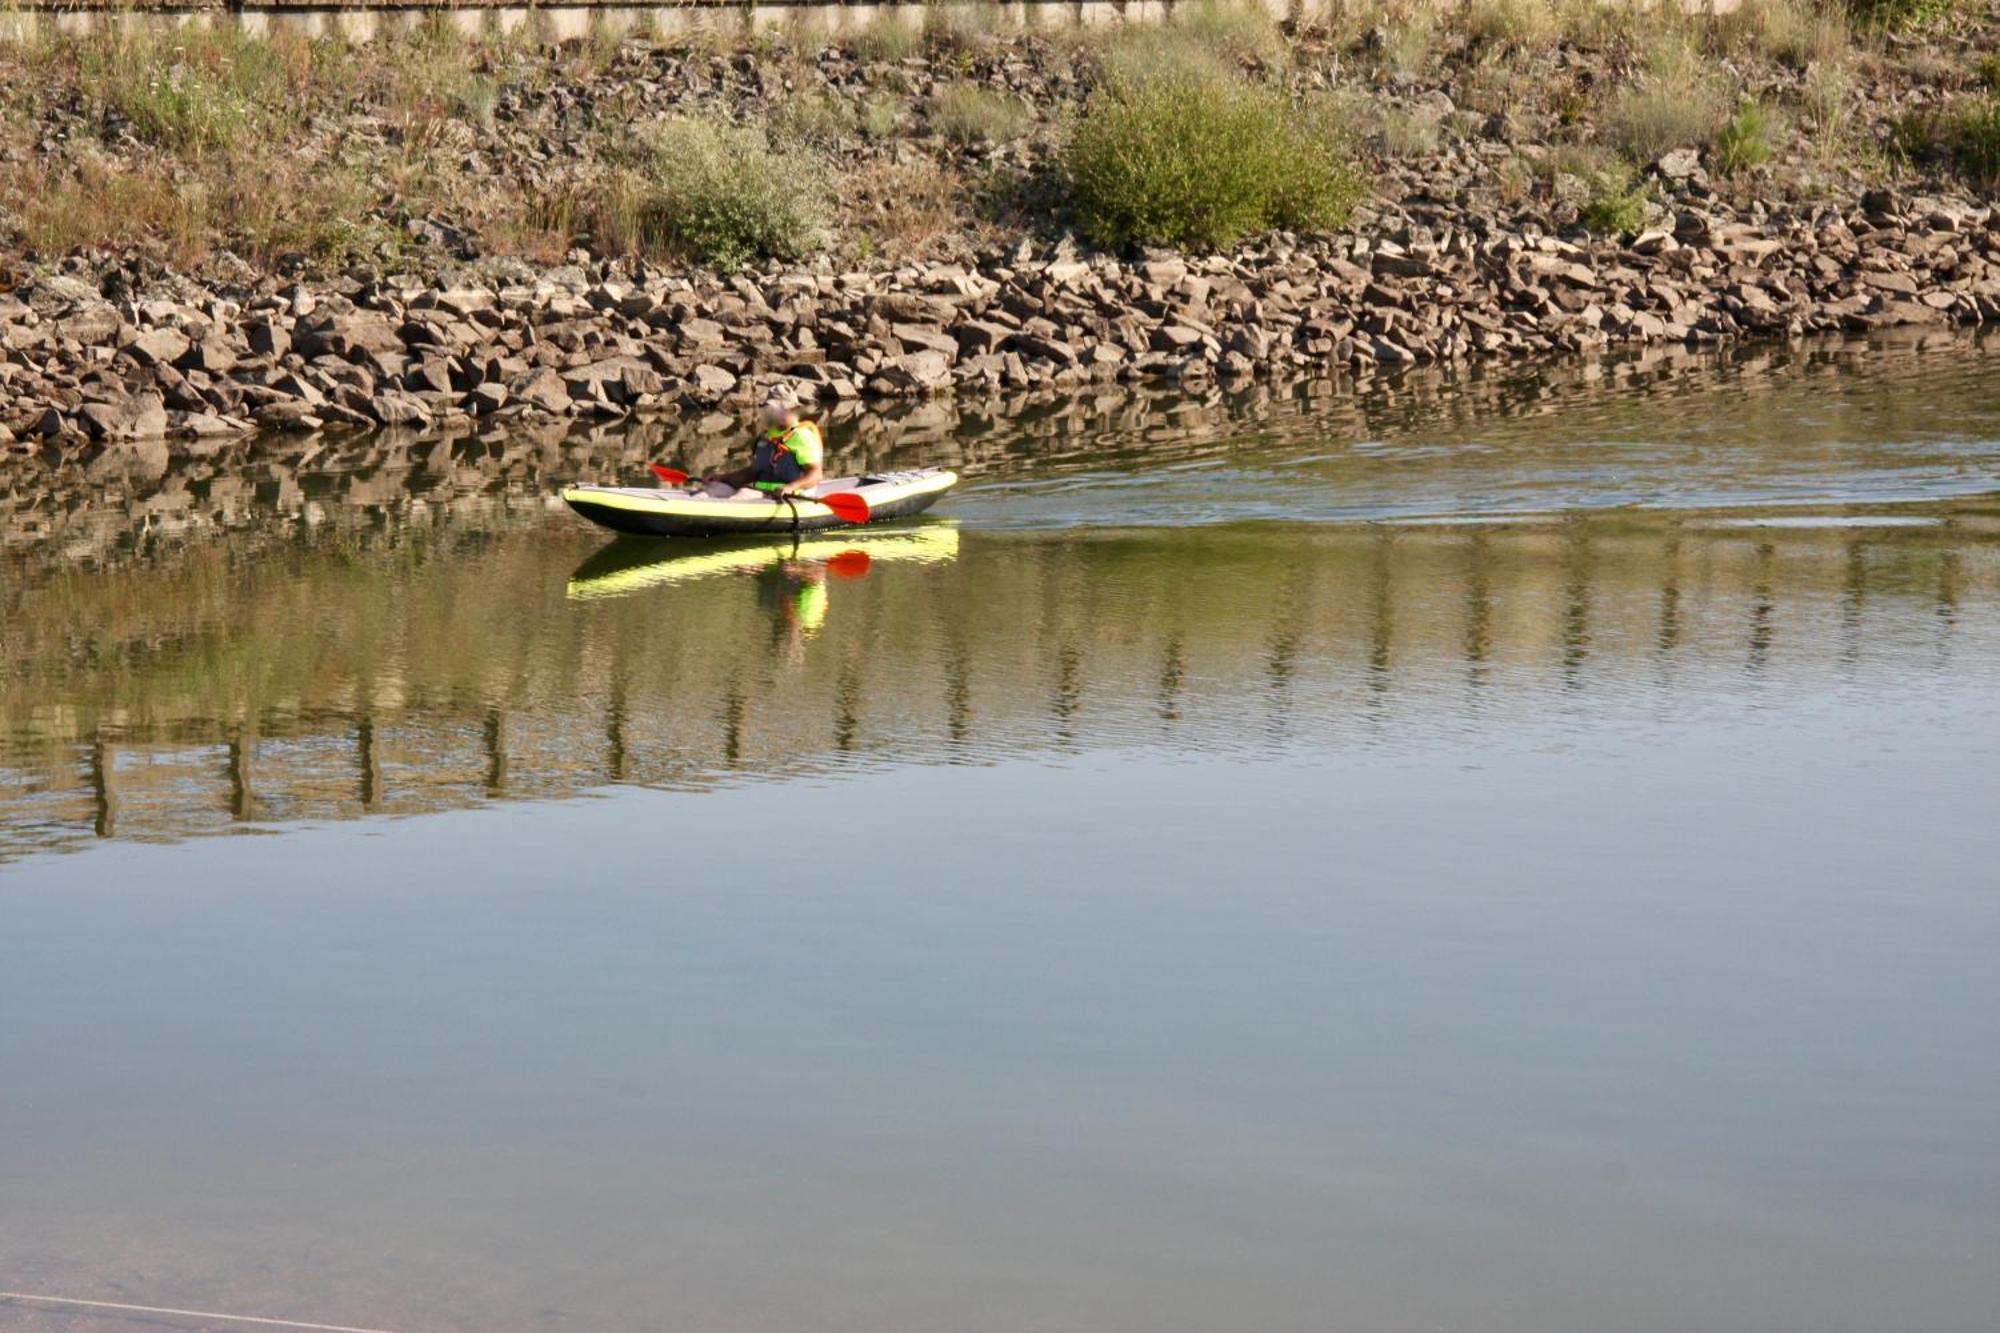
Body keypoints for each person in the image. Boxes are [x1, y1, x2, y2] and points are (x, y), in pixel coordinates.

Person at [702, 392, 825, 498]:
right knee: (714, 488)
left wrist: (790, 487)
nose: (775, 412)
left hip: (788, 496)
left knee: (744, 493)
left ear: (793, 409)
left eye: (780, 409)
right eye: (773, 408)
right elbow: (753, 472)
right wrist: (722, 478)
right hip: (761, 493)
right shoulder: (766, 436)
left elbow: (816, 475)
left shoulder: (802, 436)